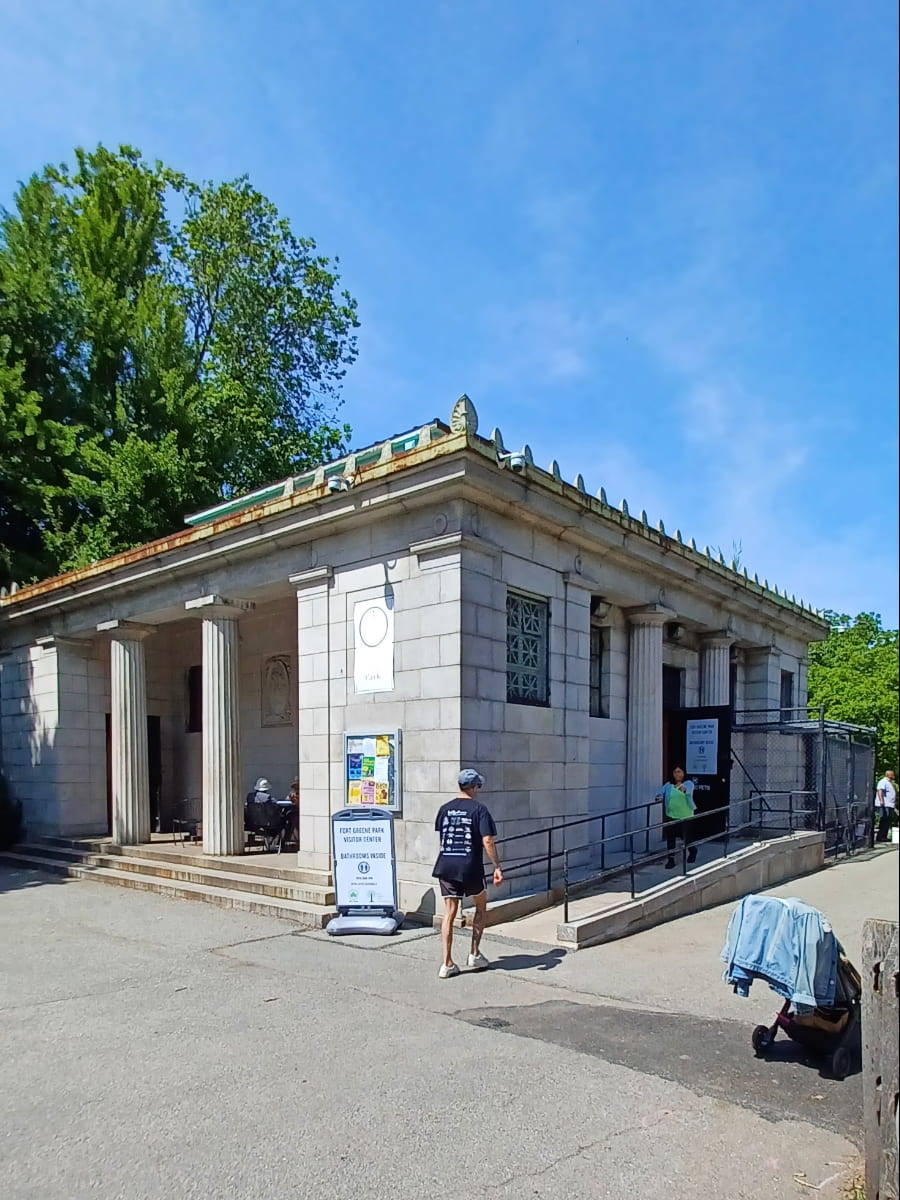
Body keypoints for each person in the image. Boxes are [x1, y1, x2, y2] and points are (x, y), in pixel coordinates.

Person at [433, 769, 503, 979]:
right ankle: (474, 953)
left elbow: (443, 836)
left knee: (449, 911)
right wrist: (497, 866)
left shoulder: (444, 809)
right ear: (473, 788)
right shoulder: (479, 810)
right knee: (481, 905)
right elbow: (487, 840)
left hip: (446, 864)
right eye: (477, 786)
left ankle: (446, 963)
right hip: (470, 866)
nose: (478, 790)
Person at [657, 766, 697, 869]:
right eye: (675, 772)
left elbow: (687, 791)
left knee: (685, 837)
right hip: (671, 815)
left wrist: (682, 788)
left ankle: (693, 851)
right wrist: (659, 796)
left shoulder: (688, 783)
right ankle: (671, 859)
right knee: (671, 838)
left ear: (684, 773)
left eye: (679, 772)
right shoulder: (668, 785)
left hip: (685, 815)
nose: (677, 774)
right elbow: (661, 793)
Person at [874, 769, 896, 843]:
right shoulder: (883, 782)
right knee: (884, 820)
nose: (893, 776)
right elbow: (880, 790)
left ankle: (884, 836)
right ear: (888, 775)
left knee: (887, 821)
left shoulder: (889, 782)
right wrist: (881, 801)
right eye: (892, 774)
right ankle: (880, 837)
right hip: (885, 804)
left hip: (889, 804)